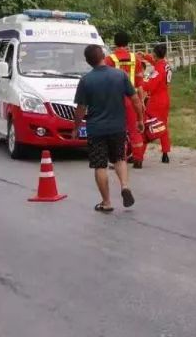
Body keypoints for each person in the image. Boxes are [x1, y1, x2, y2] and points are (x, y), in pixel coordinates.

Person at [73, 44, 145, 213]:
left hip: (96, 129)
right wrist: (140, 119)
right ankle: (125, 186)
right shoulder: (120, 75)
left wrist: (76, 127)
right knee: (120, 159)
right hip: (118, 127)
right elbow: (135, 100)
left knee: (100, 165)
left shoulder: (86, 80)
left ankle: (106, 202)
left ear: (88, 61)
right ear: (103, 56)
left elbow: (80, 109)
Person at [105, 33, 145, 169]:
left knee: (118, 130)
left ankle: (119, 159)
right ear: (128, 43)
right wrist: (141, 101)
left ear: (115, 43)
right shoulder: (136, 59)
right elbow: (140, 84)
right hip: (132, 97)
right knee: (135, 129)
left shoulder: (109, 60)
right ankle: (138, 158)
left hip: (115, 99)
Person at [141, 43, 173, 164]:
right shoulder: (165, 65)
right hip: (165, 98)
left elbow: (150, 86)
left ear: (155, 53)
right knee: (163, 125)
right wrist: (144, 56)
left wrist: (139, 82)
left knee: (147, 126)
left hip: (156, 101)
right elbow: (155, 62)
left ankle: (139, 156)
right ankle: (165, 153)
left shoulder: (158, 69)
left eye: (152, 53)